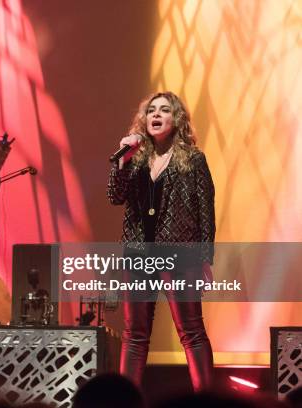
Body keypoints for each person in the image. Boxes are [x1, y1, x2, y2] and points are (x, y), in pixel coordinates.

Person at [107, 91, 215, 391]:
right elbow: (115, 196)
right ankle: (125, 400)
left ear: (176, 119)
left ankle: (207, 399)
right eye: (151, 110)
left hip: (181, 255)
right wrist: (122, 161)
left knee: (191, 330)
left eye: (164, 110)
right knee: (135, 333)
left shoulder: (193, 160)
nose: (155, 115)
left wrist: (206, 258)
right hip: (138, 254)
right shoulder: (136, 159)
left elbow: (206, 211)